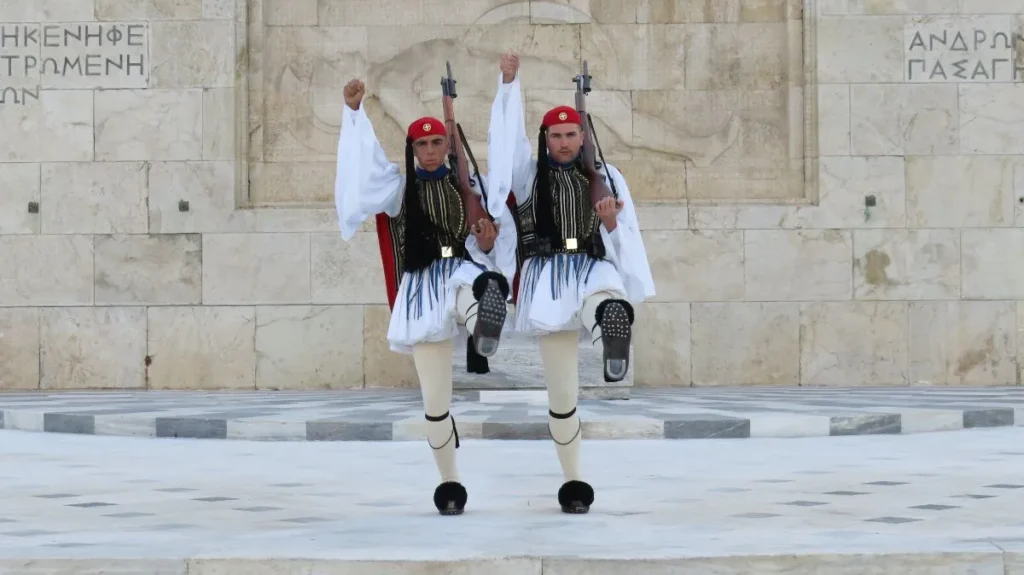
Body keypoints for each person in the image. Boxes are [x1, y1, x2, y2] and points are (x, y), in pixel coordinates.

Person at [334, 78, 517, 516]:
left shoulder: (471, 186)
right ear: (413, 149)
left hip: (460, 270)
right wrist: (355, 114)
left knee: (475, 288)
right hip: (420, 288)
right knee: (435, 404)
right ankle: (450, 483)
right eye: (423, 144)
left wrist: (488, 242)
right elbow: (363, 169)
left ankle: (482, 325)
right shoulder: (398, 190)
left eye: (438, 142)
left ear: (447, 145)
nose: (432, 150)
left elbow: (494, 243)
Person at [485, 54, 656, 514]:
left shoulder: (607, 177)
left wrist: (612, 224)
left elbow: (628, 240)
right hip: (545, 275)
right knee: (563, 398)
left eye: (571, 134)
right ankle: (574, 481)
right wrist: (508, 84)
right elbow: (505, 143)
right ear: (547, 139)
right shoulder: (527, 174)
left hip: (590, 264)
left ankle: (611, 331)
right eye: (556, 136)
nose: (563, 142)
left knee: (605, 297)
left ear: (583, 136)